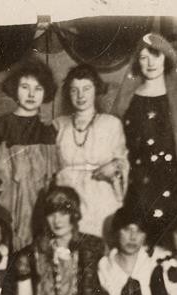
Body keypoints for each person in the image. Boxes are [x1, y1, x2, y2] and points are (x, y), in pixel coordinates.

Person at [115, 32, 177, 244]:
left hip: (172, 179)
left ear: (166, 58)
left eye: (156, 55)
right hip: (136, 181)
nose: (150, 62)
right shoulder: (129, 98)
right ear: (137, 63)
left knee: (170, 236)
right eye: (144, 57)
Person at [0, 56, 59, 251]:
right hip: (5, 207)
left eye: (38, 89)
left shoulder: (49, 131)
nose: (31, 94)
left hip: (39, 210)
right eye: (25, 87)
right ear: (15, 89)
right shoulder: (0, 126)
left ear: (45, 93)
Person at [53, 64, 129, 239]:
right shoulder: (58, 125)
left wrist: (115, 167)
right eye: (74, 90)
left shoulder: (111, 124)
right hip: (67, 198)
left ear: (96, 90)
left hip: (101, 197)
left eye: (86, 89)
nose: (80, 96)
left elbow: (124, 161)